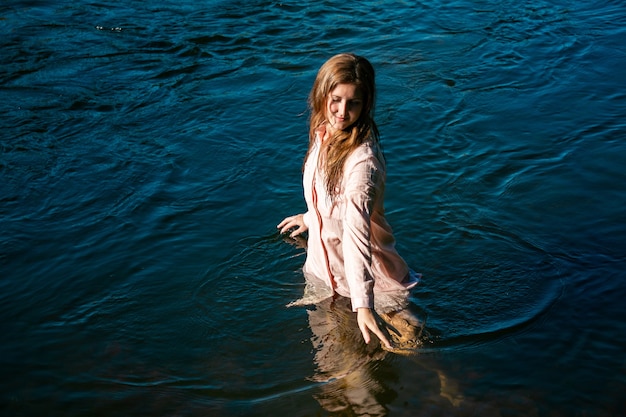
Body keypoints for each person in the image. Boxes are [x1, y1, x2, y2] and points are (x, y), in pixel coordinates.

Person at [277, 53, 420, 350]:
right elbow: (326, 192)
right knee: (332, 368)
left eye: (353, 103)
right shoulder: (322, 129)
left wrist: (364, 305)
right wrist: (312, 216)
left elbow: (356, 232)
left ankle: (449, 387)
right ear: (321, 94)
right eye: (336, 99)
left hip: (373, 282)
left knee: (409, 348)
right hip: (324, 275)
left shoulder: (362, 163)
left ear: (365, 104)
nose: (342, 112)